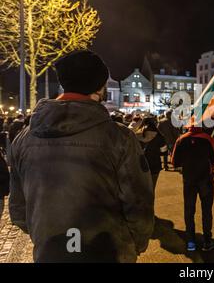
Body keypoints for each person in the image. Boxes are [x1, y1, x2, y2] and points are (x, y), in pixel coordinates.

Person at [8, 50, 154, 263]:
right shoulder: (120, 138)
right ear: (100, 87)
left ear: (63, 83)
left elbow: (19, 210)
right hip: (108, 252)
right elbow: (139, 204)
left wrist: (48, 237)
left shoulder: (23, 139)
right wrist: (133, 245)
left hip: (51, 253)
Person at [172, 124, 214, 252]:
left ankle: (191, 242)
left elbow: (174, 162)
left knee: (189, 210)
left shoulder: (181, 139)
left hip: (189, 180)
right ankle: (207, 241)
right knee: (206, 211)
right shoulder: (208, 139)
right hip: (205, 180)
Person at [135, 116, 167, 190]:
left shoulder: (136, 135)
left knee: (140, 188)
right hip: (154, 164)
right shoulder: (159, 136)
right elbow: (164, 151)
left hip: (139, 165)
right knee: (152, 188)